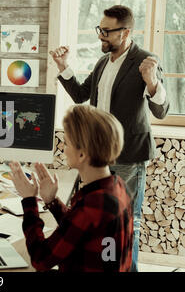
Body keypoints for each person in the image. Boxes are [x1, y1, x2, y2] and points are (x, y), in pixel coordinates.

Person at [49, 5, 169, 271]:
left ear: (125, 32)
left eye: (106, 31)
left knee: (128, 225)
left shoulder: (146, 61)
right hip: (98, 157)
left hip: (128, 157)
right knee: (100, 224)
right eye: (99, 29)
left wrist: (152, 83)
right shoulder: (103, 61)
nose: (100, 35)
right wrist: (63, 66)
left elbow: (161, 110)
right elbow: (81, 94)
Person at [9, 104, 133, 272]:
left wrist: (29, 200)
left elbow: (40, 259)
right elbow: (81, 231)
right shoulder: (119, 186)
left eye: (66, 143)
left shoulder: (90, 206)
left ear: (82, 155)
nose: (63, 149)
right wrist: (51, 201)